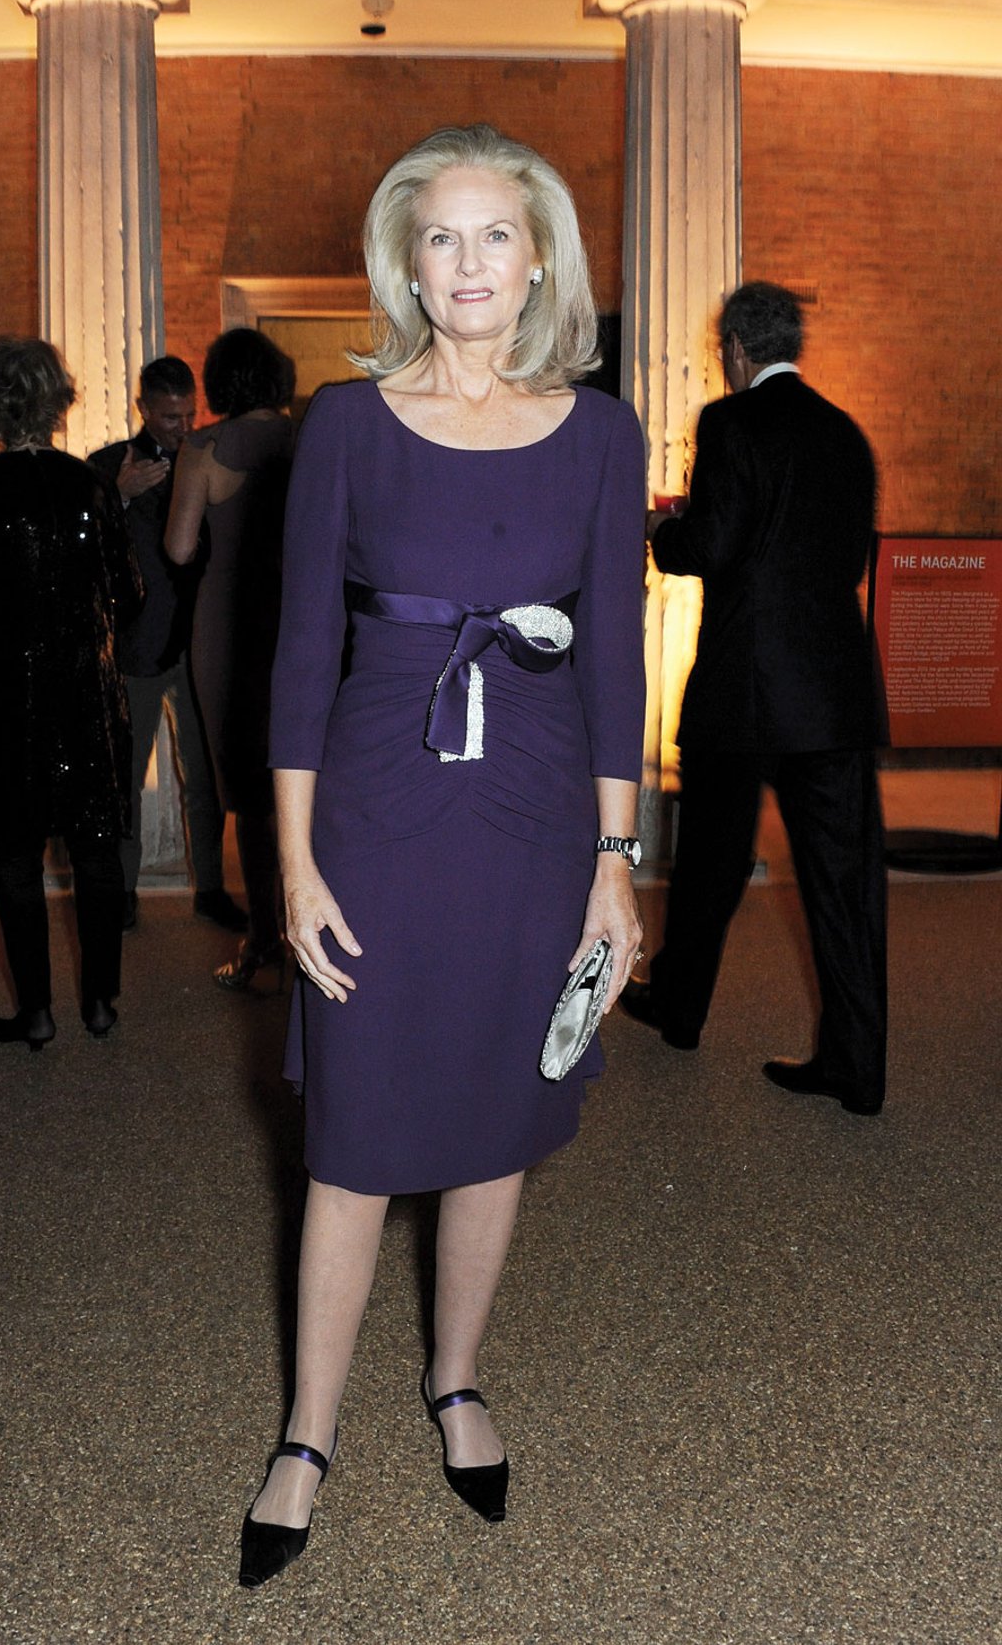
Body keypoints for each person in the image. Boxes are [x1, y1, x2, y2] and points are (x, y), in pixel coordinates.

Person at [237, 124, 647, 1590]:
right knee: (353, 1133)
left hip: (539, 807)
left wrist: (615, 859)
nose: (468, 264)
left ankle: (457, 1378)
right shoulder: (342, 424)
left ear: (541, 255)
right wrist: (290, 860)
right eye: (440, 237)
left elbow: (615, 648)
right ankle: (305, 1429)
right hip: (378, 794)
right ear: (405, 262)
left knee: (498, 1105)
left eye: (494, 234)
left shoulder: (604, 430)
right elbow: (294, 654)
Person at [620, 281, 887, 1116]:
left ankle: (681, 1010)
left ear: (736, 349)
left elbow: (713, 543)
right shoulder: (847, 434)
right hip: (832, 692)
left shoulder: (730, 422)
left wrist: (666, 530)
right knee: (845, 885)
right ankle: (856, 1068)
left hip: (743, 689)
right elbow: (848, 562)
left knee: (710, 862)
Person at [0, 336, 140, 1049]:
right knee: (95, 853)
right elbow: (127, 593)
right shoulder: (90, 486)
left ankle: (37, 1011)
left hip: (8, 704)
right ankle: (101, 1000)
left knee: (17, 857)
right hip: (83, 695)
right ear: (59, 400)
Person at [90, 357, 242, 935]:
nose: (182, 427)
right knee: (125, 777)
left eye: (189, 414)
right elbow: (85, 557)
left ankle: (210, 889)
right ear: (143, 409)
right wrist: (119, 497)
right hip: (137, 644)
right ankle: (122, 893)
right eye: (170, 416)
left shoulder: (206, 456)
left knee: (202, 776)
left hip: (198, 640)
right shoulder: (107, 468)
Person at [164, 328, 295, 990]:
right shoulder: (307, 439)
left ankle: (264, 937)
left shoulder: (203, 448)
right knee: (307, 781)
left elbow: (181, 549)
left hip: (229, 628)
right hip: (302, 624)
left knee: (249, 793)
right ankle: (312, 934)